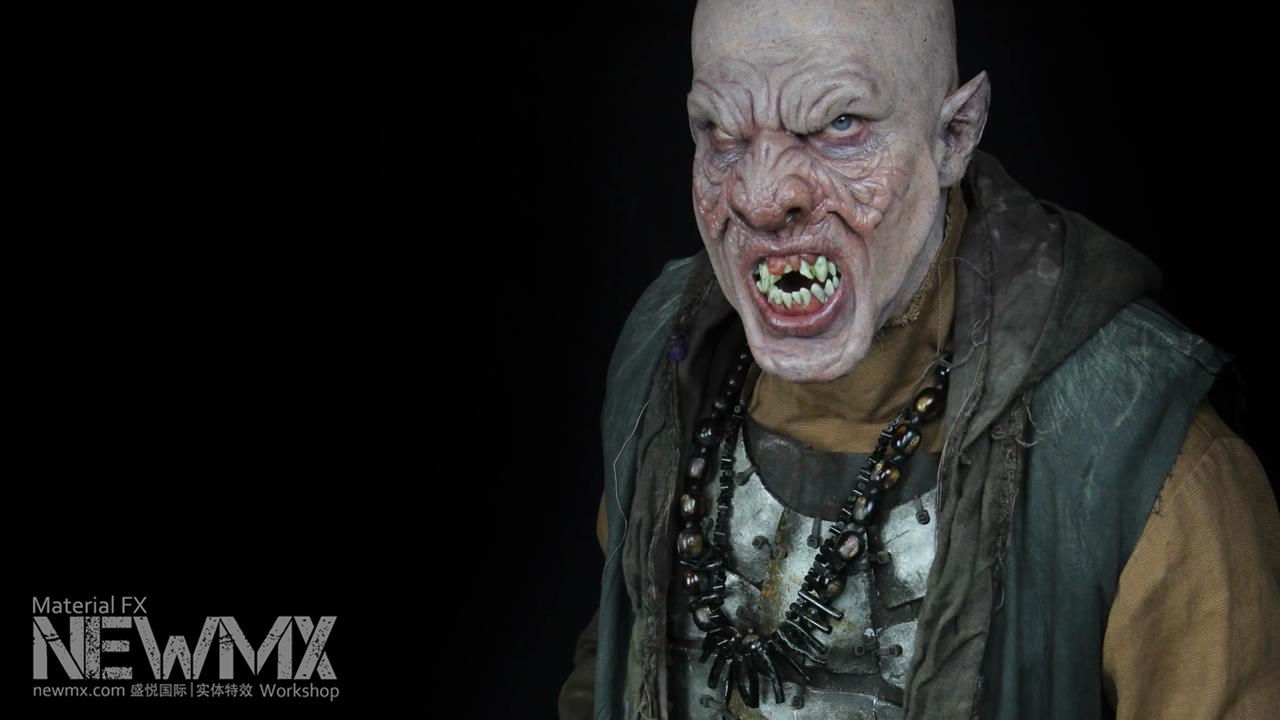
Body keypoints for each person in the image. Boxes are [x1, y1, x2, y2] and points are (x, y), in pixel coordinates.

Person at [560, 2, 1279, 718]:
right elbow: (615, 659)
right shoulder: (665, 363)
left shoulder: (1147, 461)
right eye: (722, 133)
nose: (762, 197)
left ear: (954, 135)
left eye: (839, 125)